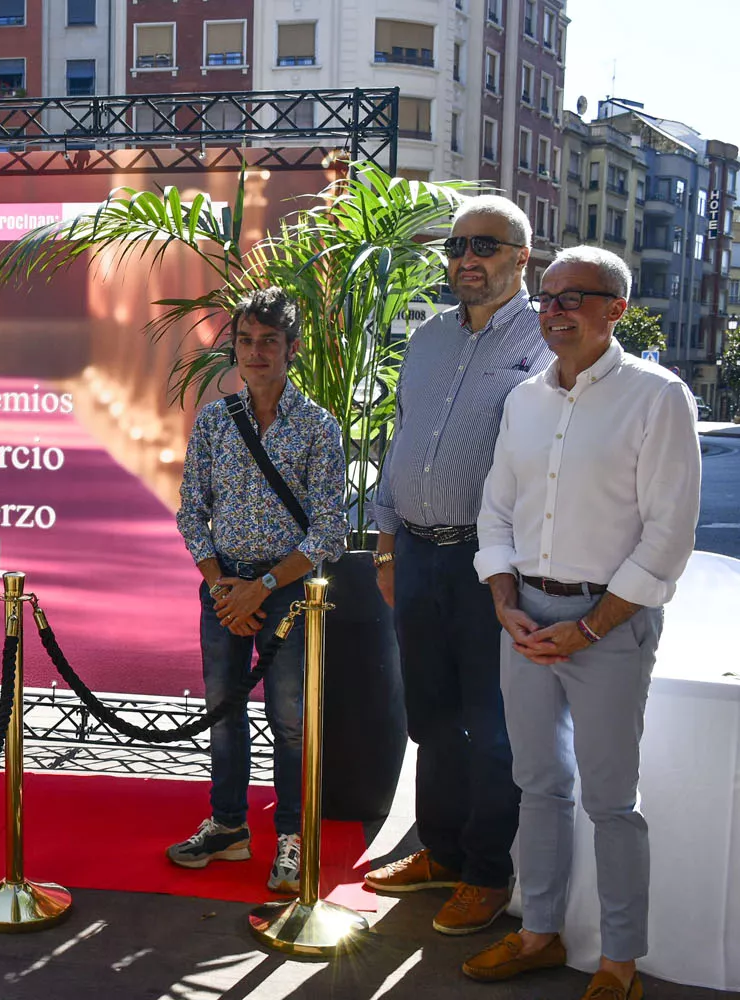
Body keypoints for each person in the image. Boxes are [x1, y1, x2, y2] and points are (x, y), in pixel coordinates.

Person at [462, 247, 700, 1000]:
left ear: (615, 311)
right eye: (548, 295)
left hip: (610, 628)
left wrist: (591, 628)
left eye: (574, 297)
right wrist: (504, 602)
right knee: (537, 785)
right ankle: (538, 933)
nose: (554, 308)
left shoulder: (658, 397)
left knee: (611, 802)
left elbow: (668, 535)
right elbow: (496, 509)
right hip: (524, 620)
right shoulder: (527, 400)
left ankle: (621, 964)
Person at [364, 195, 553, 934]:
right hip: (413, 552)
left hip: (492, 564)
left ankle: (486, 870)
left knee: (492, 722)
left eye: (485, 247)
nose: (466, 260)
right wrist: (385, 543)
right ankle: (438, 851)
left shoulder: (542, 341)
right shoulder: (430, 337)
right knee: (432, 715)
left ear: (520, 258)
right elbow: (402, 436)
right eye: (457, 247)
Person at [168, 287, 346, 892]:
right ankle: (228, 827)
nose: (256, 352)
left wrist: (262, 588)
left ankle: (291, 837)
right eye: (245, 341)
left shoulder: (319, 426)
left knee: (290, 720)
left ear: (291, 349)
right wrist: (225, 589)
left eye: (269, 341)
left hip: (289, 593)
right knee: (223, 713)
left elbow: (329, 529)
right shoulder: (217, 420)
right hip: (223, 592)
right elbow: (191, 511)